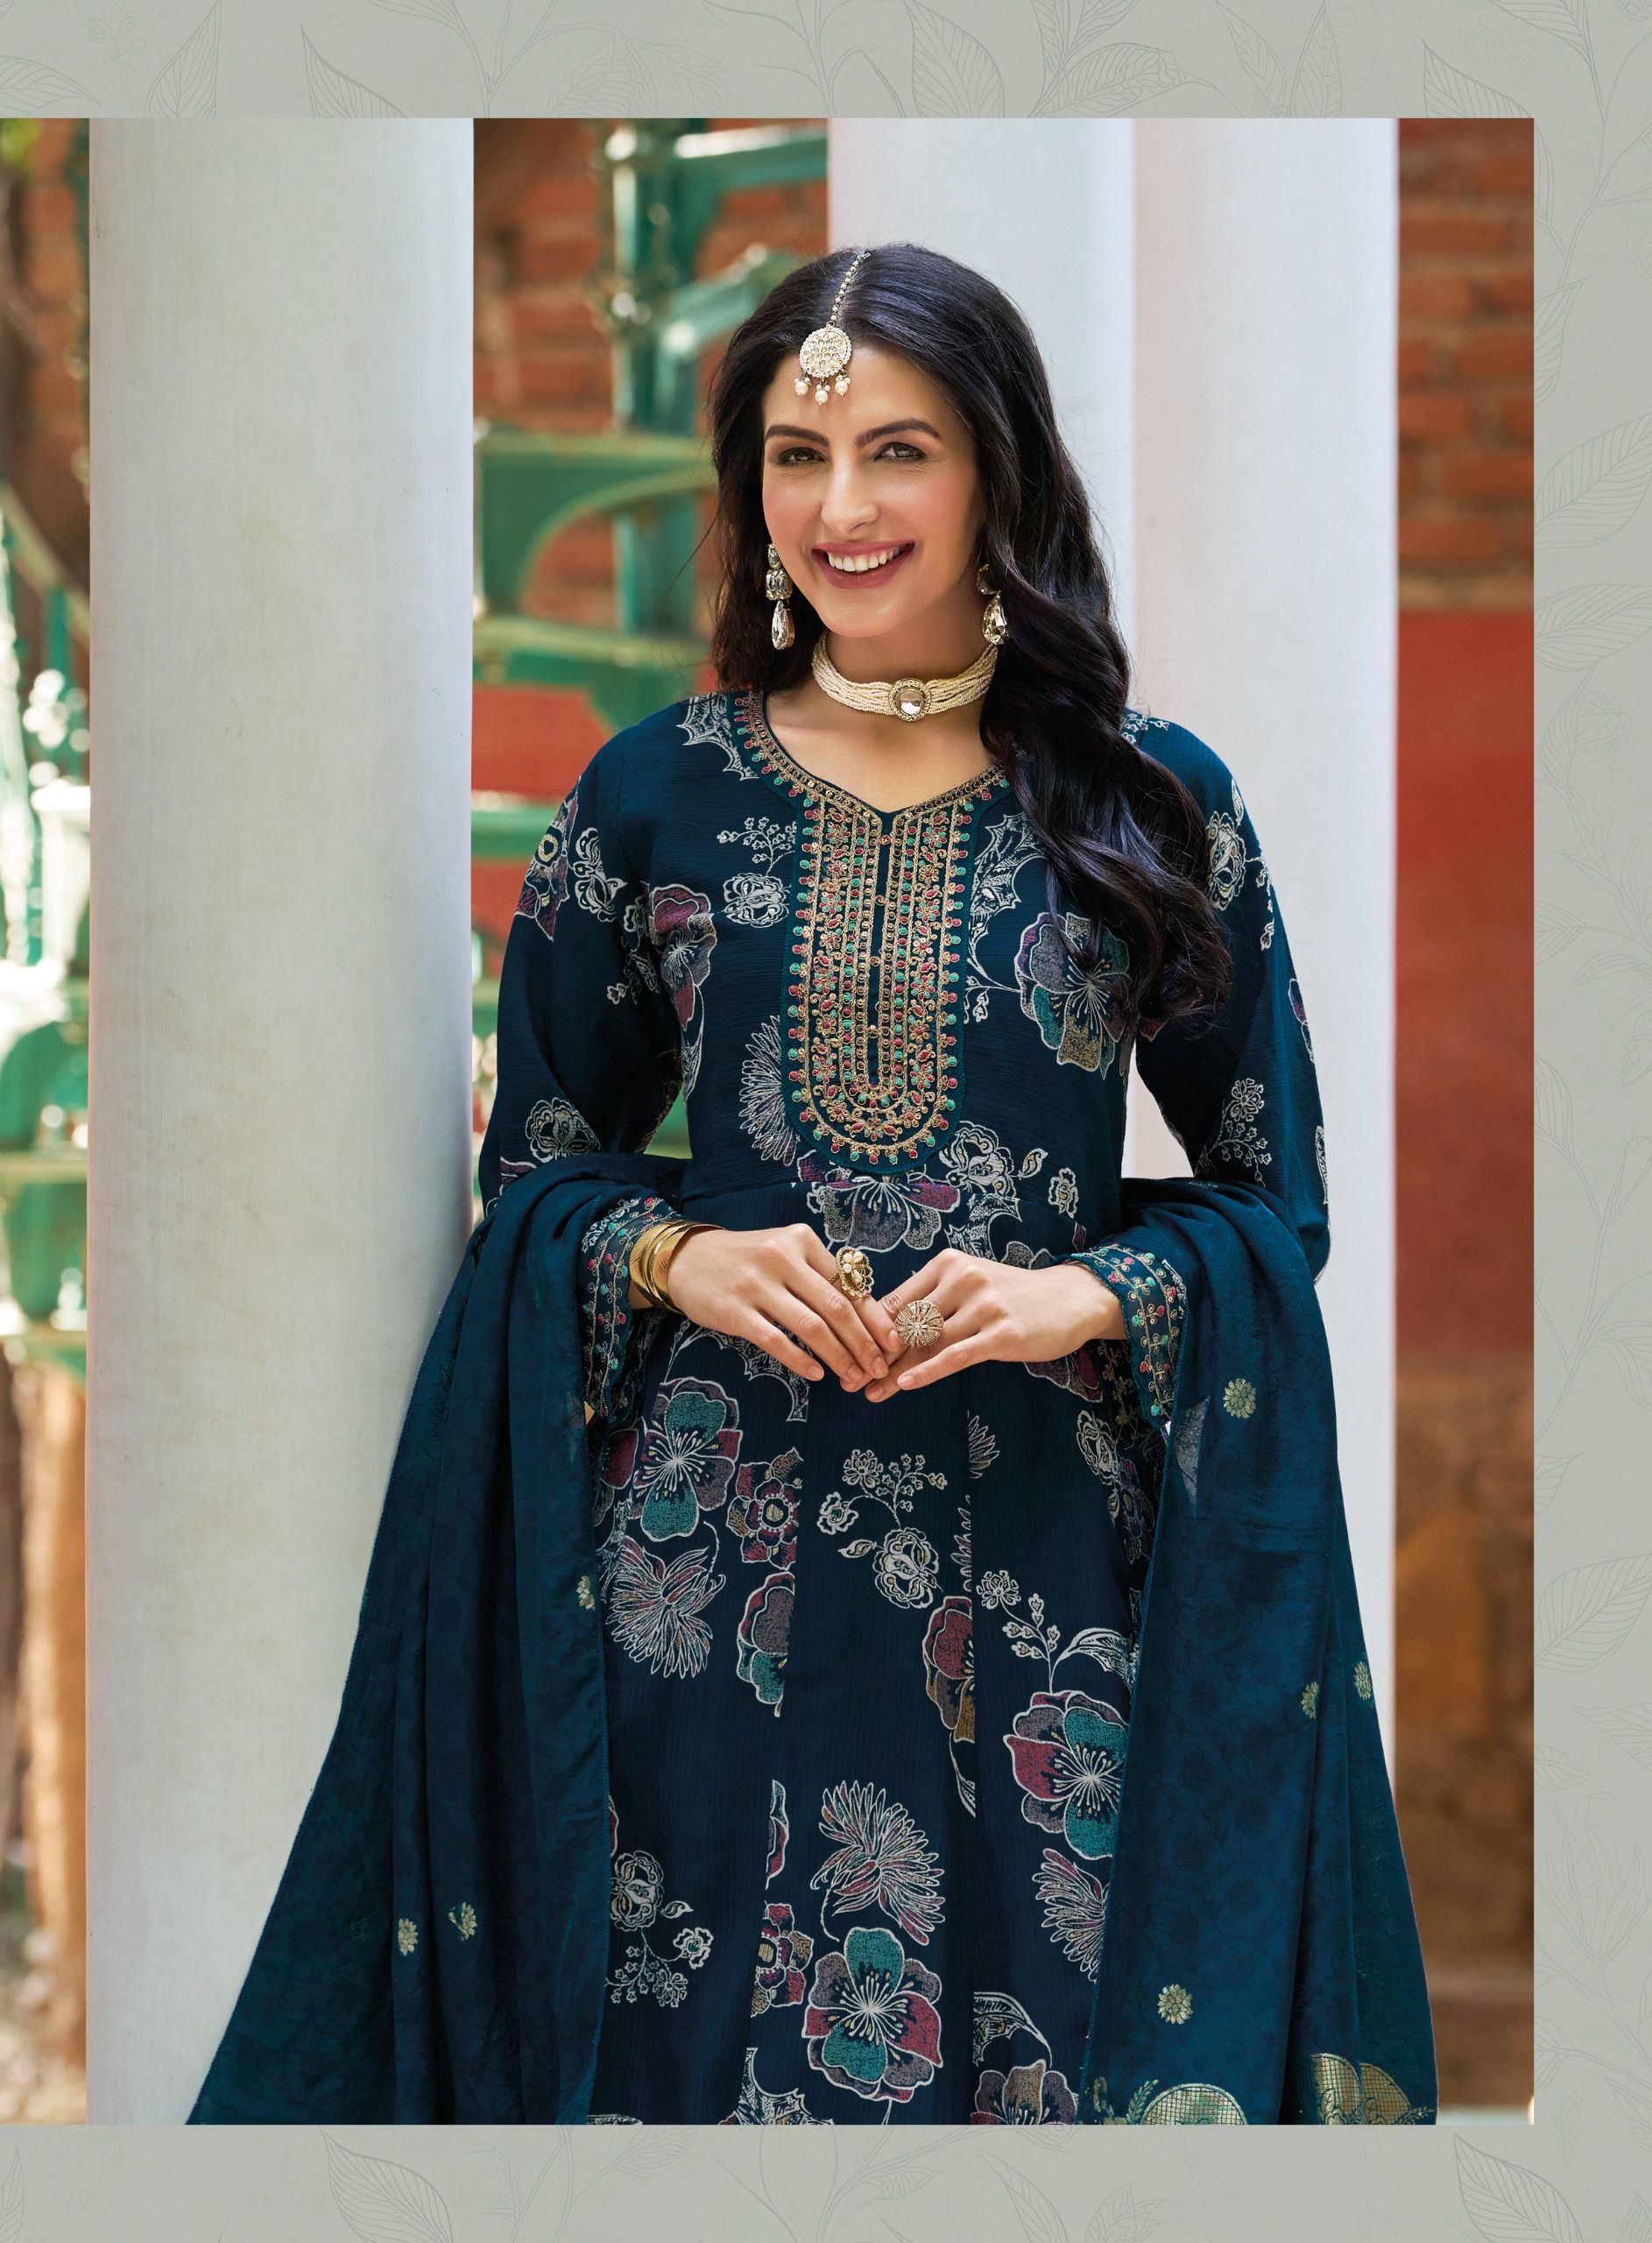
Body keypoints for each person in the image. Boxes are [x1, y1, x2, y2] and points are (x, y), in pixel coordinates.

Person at [188, 240, 1435, 2128]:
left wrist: (1083, 1292)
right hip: (703, 1575)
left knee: (1047, 2070)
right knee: (681, 2065)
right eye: (796, 455)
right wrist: (672, 1257)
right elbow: (538, 1172)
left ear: (996, 469)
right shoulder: (649, 796)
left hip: (1046, 1576)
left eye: (897, 451)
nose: (840, 507)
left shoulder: (1149, 801)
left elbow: (1277, 1200)